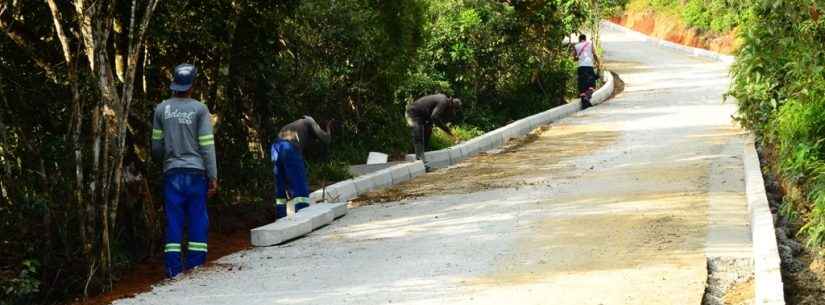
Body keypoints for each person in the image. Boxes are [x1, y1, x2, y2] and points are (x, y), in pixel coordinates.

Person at [151, 63, 218, 278]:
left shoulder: (162, 109)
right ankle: (195, 267)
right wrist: (213, 176)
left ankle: (173, 270)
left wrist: (167, 161)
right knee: (197, 217)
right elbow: (207, 145)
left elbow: (156, 147)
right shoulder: (200, 109)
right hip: (196, 174)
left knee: (174, 219)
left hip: (172, 174)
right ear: (192, 85)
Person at [271, 116, 332, 218]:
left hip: (275, 147)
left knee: (280, 186)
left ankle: (280, 218)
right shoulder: (310, 121)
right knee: (299, 184)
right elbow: (326, 138)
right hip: (289, 147)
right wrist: (328, 129)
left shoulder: (297, 126)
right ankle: (304, 216)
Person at [405, 93, 462, 167]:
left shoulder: (444, 100)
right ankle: (420, 161)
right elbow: (435, 117)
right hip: (412, 113)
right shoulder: (443, 102)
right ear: (451, 105)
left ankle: (421, 156)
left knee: (428, 130)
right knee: (418, 136)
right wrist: (448, 131)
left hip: (422, 116)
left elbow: (433, 116)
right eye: (453, 110)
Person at [573, 34, 600, 109]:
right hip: (589, 66)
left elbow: (574, 58)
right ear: (585, 39)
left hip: (581, 67)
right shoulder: (590, 43)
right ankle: (587, 97)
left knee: (582, 86)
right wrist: (598, 63)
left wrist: (579, 56)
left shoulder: (576, 46)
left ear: (579, 39)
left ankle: (585, 103)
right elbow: (594, 53)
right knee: (592, 84)